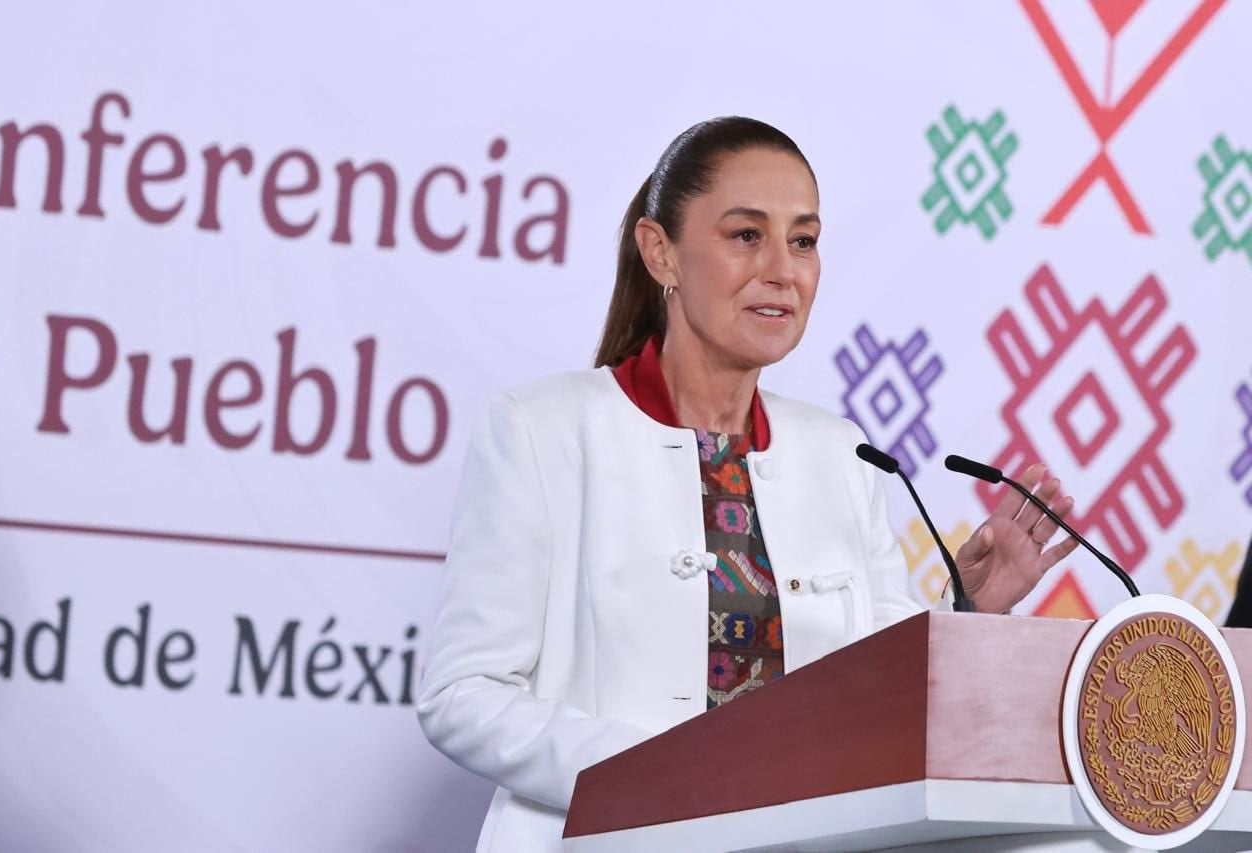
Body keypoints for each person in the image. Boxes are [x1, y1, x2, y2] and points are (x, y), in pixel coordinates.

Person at [417, 117, 1078, 852]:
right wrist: (655, 774)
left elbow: (880, 698)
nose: (782, 270)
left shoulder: (842, 453)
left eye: (803, 240)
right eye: (745, 235)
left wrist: (966, 613)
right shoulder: (540, 430)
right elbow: (462, 695)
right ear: (660, 251)